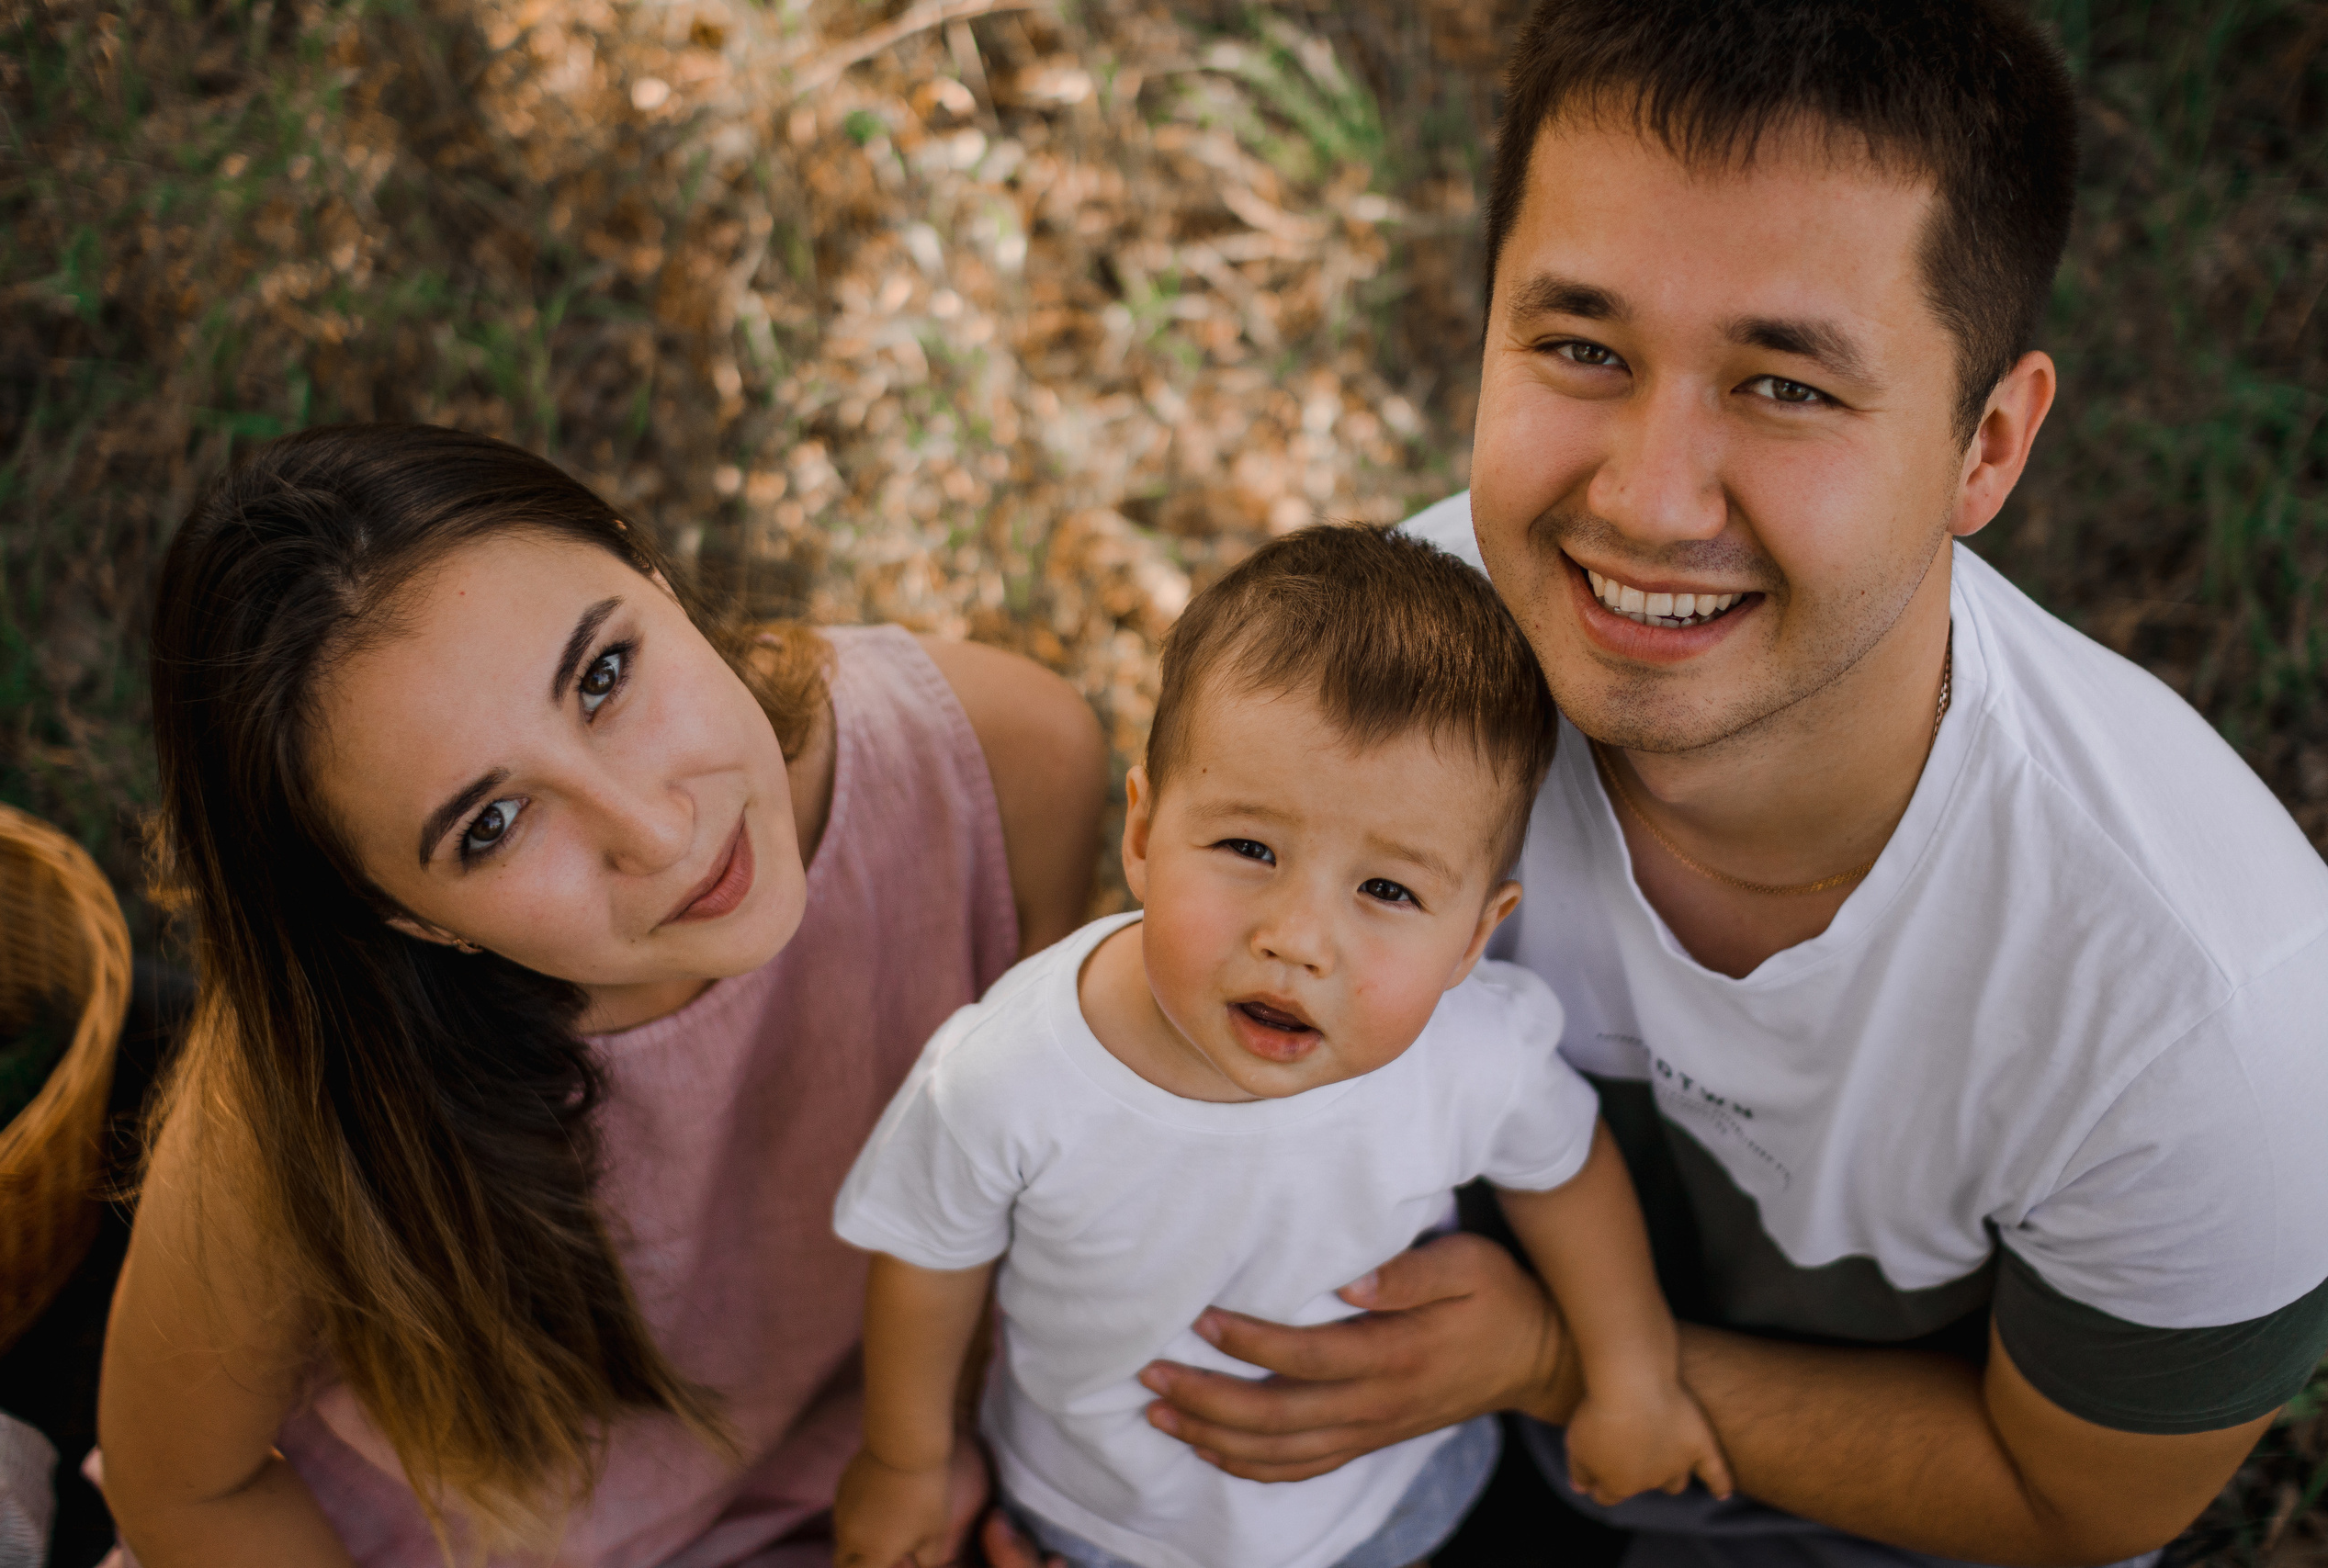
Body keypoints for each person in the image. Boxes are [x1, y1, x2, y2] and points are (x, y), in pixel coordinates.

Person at [990, 3, 2328, 1566]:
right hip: (1410, 1462)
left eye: (1786, 385)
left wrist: (1555, 1355)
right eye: (1582, 348)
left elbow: (2074, 1500)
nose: (1644, 499)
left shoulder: (2211, 1019)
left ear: (1988, 444)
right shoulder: (1383, 686)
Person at [93, 423, 1107, 1568]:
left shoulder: (1000, 768)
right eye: (491, 824)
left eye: (604, 676)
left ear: (648, 567)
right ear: (407, 917)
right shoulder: (307, 1095)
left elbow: (1068, 1178)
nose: (658, 833)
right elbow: (184, 1489)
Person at [831, 527, 1733, 1568]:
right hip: (1103, 1516)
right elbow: (928, 1258)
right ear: (1143, 835)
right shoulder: (1012, 1074)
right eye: (1248, 847)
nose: (1298, 939)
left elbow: (1564, 1171)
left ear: (1472, 940)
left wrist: (1632, 1376)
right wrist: (907, 1460)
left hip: (1395, 1497)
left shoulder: (1472, 1053)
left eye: (1387, 890)